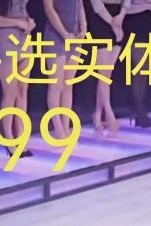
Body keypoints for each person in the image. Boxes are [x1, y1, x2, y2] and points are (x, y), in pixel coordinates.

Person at [0, 0, 35, 156]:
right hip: (4, 36)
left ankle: (22, 136)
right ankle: (9, 138)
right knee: (10, 91)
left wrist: (28, 21)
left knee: (23, 90)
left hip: (24, 36)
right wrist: (16, 22)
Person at [86, 0, 131, 137]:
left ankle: (98, 113)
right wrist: (113, 23)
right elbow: (96, 5)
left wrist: (121, 16)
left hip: (118, 18)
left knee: (107, 75)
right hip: (101, 19)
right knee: (103, 74)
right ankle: (108, 112)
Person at [43, 0, 87, 139]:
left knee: (68, 85)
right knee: (56, 84)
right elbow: (49, 8)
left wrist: (84, 27)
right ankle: (58, 128)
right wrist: (64, 33)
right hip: (56, 35)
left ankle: (66, 126)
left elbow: (79, 6)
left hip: (75, 36)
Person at [124, 0, 151, 128]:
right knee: (140, 69)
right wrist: (148, 7)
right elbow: (126, 8)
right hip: (135, 26)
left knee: (145, 71)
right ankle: (139, 109)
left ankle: (139, 109)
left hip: (150, 26)